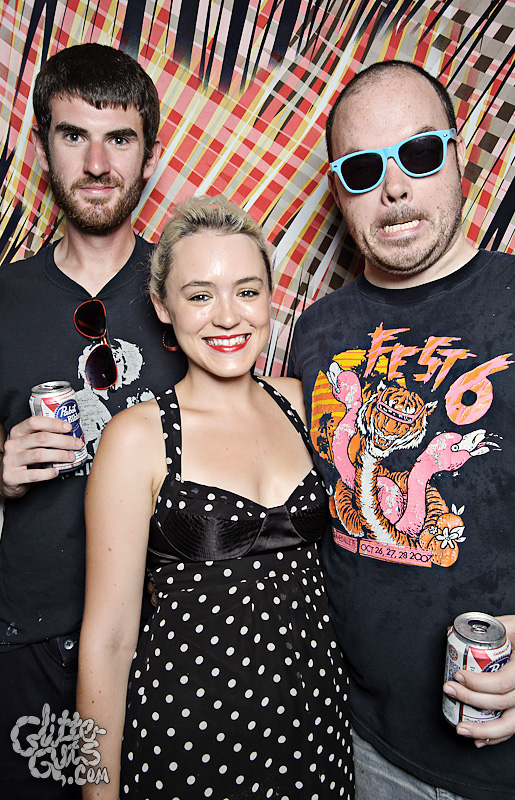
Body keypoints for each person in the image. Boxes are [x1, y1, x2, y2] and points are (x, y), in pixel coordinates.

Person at [288, 59, 515, 800]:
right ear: (338, 190)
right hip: (366, 746)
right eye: (364, 168)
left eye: (419, 153)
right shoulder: (316, 332)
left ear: (459, 158)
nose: (393, 188)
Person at [76, 195, 354, 800]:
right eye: (200, 295)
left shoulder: (302, 403)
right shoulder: (138, 437)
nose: (227, 317)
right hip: (190, 739)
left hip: (316, 730)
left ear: (270, 297)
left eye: (246, 291)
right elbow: (107, 642)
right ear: (163, 306)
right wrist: (95, 792)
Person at [0, 44, 186, 798]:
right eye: (74, 135)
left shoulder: (193, 295)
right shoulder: (5, 299)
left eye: (121, 138)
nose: (99, 164)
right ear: (43, 147)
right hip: (32, 643)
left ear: (149, 155)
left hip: (166, 641)